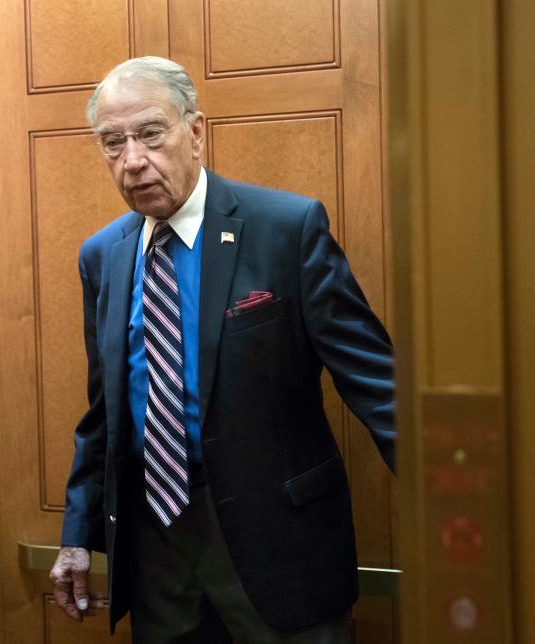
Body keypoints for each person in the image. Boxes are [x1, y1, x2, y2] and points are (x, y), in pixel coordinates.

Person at [49, 56, 395, 643]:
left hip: (280, 551)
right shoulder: (101, 256)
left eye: (150, 133)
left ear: (196, 131)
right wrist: (79, 533)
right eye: (113, 143)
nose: (133, 161)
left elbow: (377, 385)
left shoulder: (285, 228)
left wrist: (455, 504)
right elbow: (104, 413)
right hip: (158, 556)